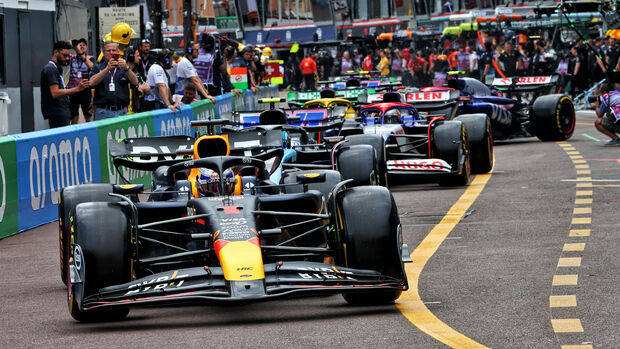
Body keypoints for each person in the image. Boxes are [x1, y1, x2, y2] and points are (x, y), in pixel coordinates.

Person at [41, 41, 90, 128]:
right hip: (57, 113)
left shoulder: (56, 68)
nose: (67, 58)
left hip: (62, 111)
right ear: (56, 52)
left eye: (68, 56)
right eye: (65, 55)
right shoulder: (50, 69)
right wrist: (77, 89)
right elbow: (55, 92)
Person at [89, 40, 139, 120]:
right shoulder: (98, 67)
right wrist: (107, 69)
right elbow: (91, 82)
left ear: (117, 52)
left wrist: (127, 68)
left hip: (122, 111)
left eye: (114, 50)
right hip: (104, 111)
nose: (111, 53)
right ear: (104, 53)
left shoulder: (124, 67)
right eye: (108, 51)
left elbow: (135, 82)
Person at [144, 48, 181, 113]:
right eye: (171, 59)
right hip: (153, 104)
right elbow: (161, 86)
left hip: (159, 104)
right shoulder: (157, 68)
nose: (173, 61)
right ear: (166, 60)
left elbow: (167, 88)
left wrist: (172, 102)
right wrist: (168, 105)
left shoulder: (161, 69)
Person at [68, 38, 94, 123]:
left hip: (85, 89)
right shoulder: (72, 58)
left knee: (88, 115)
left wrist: (81, 53)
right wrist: (69, 45)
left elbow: (92, 67)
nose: (81, 47)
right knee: (74, 115)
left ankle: (90, 132)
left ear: (86, 47)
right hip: (73, 89)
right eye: (79, 45)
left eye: (83, 45)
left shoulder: (90, 58)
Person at [594, 80, 620, 146]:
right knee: (612, 117)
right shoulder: (618, 93)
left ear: (605, 92)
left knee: (598, 122)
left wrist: (597, 105)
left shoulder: (606, 97)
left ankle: (616, 138)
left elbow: (599, 115)